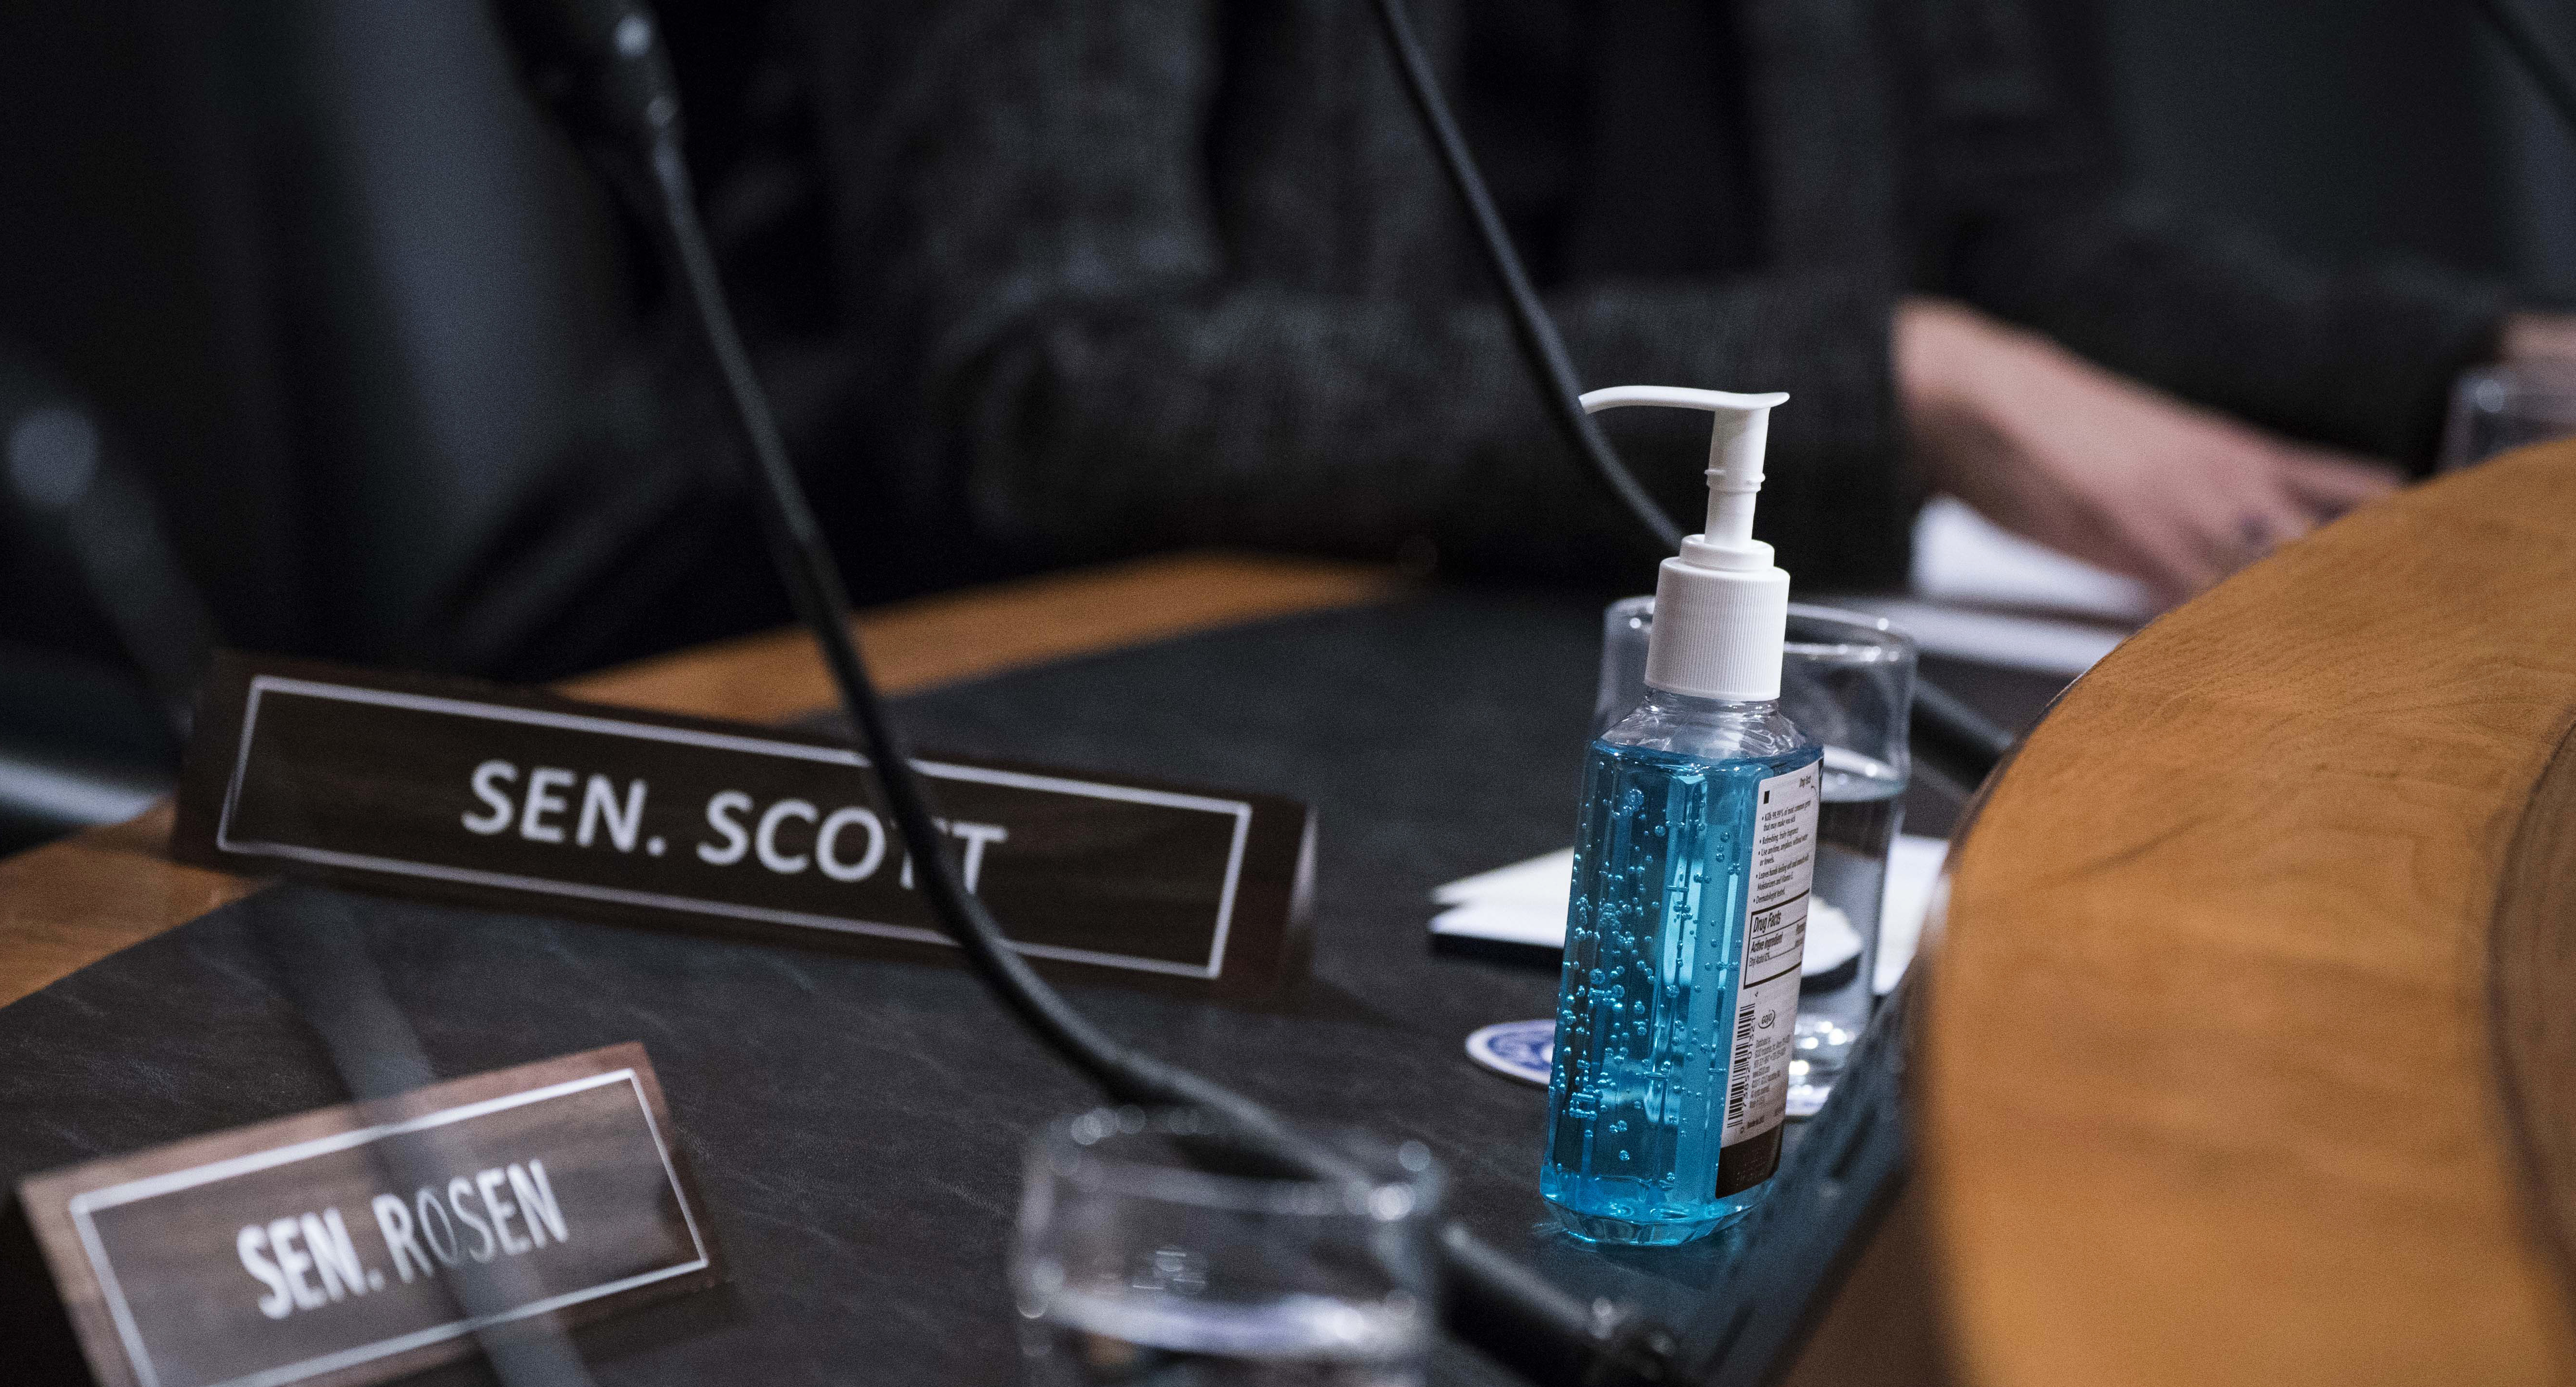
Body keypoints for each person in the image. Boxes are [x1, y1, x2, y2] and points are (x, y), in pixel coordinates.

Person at [806, 0, 2576, 609]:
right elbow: (1054, 384)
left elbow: (2001, 216)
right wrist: (1893, 380)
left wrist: (2464, 373)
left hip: (1577, 650)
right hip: (1020, 710)